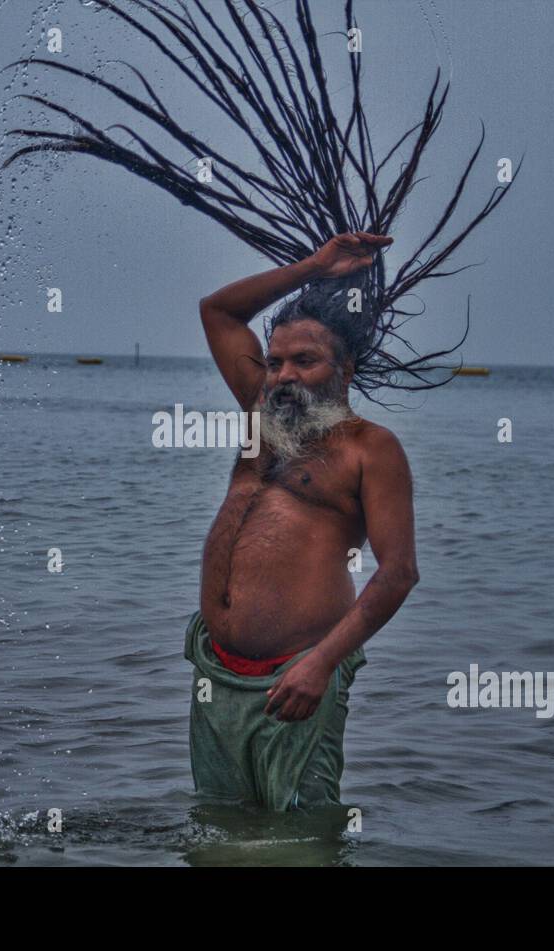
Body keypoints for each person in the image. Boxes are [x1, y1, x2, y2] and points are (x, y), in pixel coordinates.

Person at [186, 231, 420, 811]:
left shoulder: (370, 448)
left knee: (303, 837)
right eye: (276, 361)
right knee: (220, 831)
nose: (284, 374)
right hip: (216, 673)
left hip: (299, 679)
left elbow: (399, 573)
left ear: (344, 370)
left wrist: (323, 662)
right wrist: (312, 266)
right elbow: (217, 310)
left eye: (304, 361)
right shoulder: (260, 411)